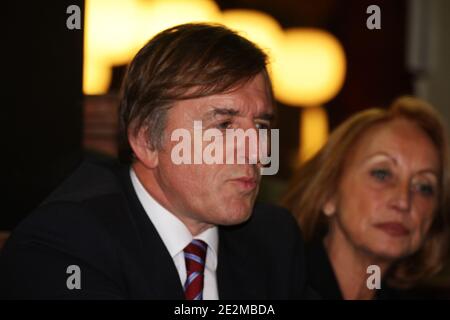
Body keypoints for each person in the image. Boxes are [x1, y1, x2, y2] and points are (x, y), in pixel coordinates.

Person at [0, 23, 307, 299]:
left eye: (262, 127)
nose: (257, 151)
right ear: (146, 140)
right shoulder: (64, 242)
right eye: (224, 125)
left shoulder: (273, 239)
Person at [283, 96, 450, 299]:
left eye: (424, 187)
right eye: (382, 174)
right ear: (329, 192)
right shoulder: (273, 285)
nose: (404, 202)